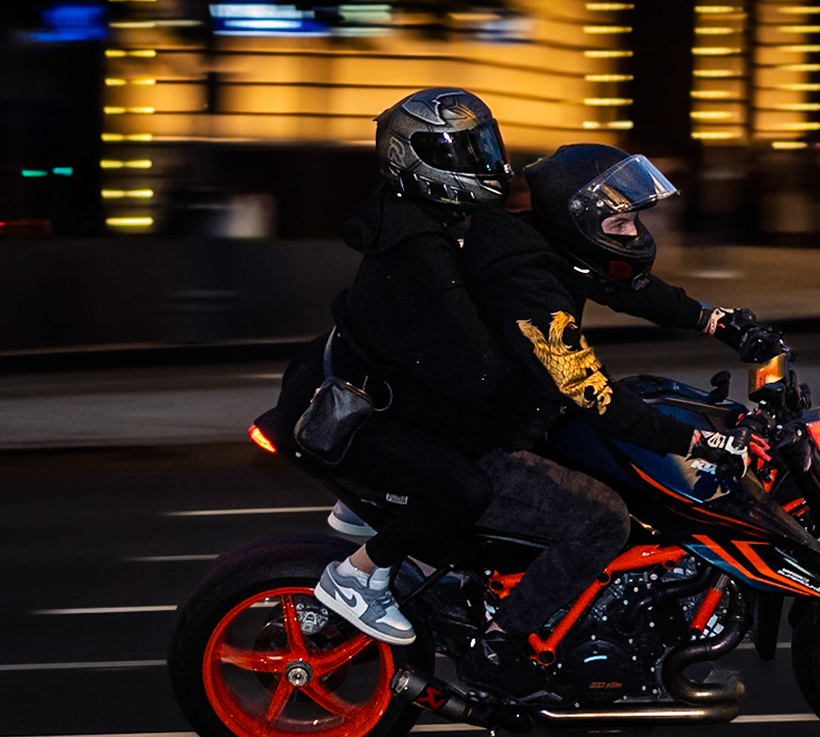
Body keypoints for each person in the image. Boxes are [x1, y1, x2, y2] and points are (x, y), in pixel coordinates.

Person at [266, 89, 759, 699]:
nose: (634, 232)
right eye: (621, 222)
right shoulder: (478, 263)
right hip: (408, 425)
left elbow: (623, 287)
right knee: (601, 520)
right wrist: (698, 441)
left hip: (420, 404)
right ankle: (499, 642)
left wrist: (717, 321)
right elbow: (586, 390)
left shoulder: (514, 236)